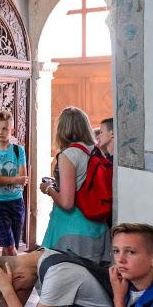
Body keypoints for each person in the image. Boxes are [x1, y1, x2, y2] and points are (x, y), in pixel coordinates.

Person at [0, 248, 113, 307]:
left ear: (18, 277)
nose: (18, 293)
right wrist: (3, 289)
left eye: (17, 289)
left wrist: (7, 290)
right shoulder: (40, 255)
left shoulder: (56, 273)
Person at [40, 106, 111, 263]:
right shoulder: (96, 150)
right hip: (97, 227)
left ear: (62, 129)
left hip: (71, 230)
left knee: (61, 272)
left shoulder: (69, 155)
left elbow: (67, 203)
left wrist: (48, 189)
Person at [0, 111, 28, 256]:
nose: (1, 132)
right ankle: (20, 268)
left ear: (12, 130)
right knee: (9, 246)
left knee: (10, 245)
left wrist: (2, 179)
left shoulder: (18, 150)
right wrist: (15, 180)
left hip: (17, 202)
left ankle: (7, 270)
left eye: (5, 129)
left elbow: (23, 178)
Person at [107, 223, 153, 307]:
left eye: (130, 252)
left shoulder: (120, 293)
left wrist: (118, 299)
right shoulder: (125, 288)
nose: (120, 259)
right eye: (116, 251)